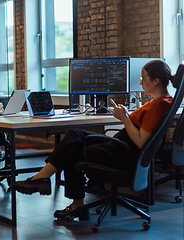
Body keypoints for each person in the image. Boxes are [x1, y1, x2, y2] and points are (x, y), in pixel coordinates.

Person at [13, 60, 173, 220]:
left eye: (143, 78)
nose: (140, 82)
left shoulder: (157, 106)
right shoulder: (165, 101)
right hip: (122, 147)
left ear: (156, 81)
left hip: (125, 153)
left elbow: (141, 142)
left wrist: (124, 118)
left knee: (73, 150)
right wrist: (127, 116)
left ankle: (69, 198)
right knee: (75, 135)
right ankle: (44, 178)